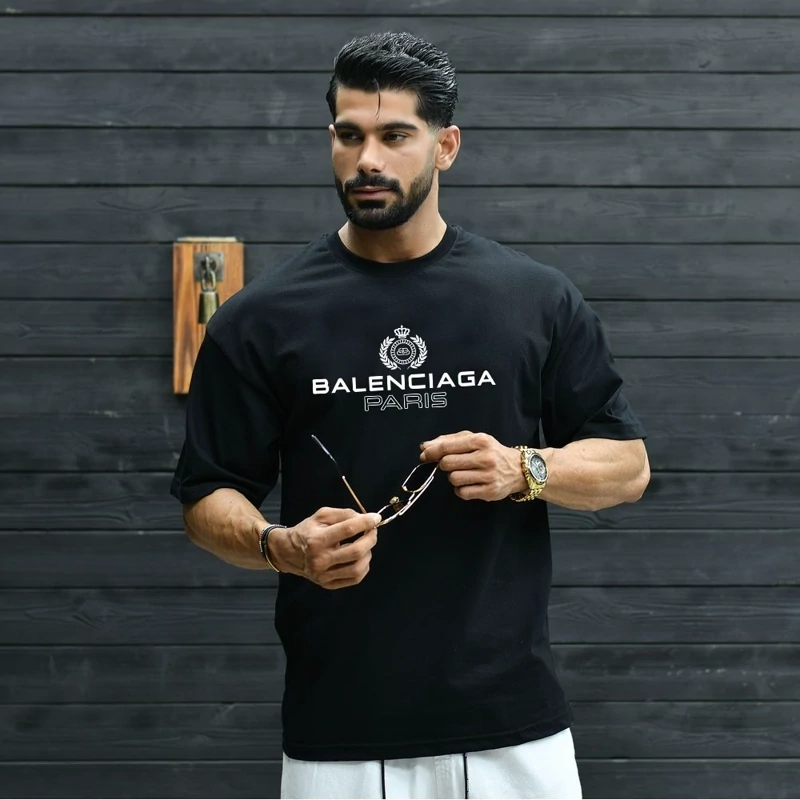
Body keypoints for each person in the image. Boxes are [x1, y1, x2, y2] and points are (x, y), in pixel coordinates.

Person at [170, 31, 650, 800]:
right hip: (339, 734)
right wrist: (279, 546)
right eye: (349, 135)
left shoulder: (534, 298)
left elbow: (627, 466)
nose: (368, 159)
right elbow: (206, 495)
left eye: (395, 136)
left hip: (513, 727)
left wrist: (524, 467)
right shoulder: (259, 319)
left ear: (445, 145)